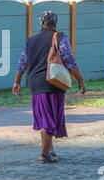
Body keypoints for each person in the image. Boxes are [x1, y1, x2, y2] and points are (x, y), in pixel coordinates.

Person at [12, 10, 86, 164]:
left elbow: (22, 62)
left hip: (35, 83)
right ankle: (45, 154)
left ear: (41, 23)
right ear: (55, 23)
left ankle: (50, 150)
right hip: (53, 82)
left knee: (45, 117)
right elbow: (69, 60)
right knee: (48, 118)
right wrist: (80, 80)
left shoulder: (31, 40)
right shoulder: (59, 37)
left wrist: (17, 82)